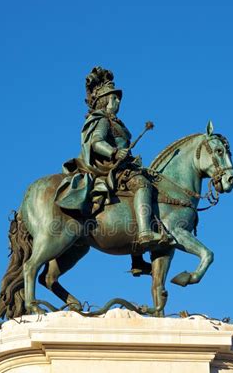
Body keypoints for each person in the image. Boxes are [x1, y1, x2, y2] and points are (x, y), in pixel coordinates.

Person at [55, 66, 163, 249]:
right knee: (142, 184)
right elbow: (96, 142)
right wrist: (114, 152)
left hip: (123, 165)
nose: (118, 101)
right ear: (105, 100)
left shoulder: (115, 122)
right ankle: (144, 232)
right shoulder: (103, 120)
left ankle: (137, 258)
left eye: (118, 98)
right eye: (114, 98)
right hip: (110, 167)